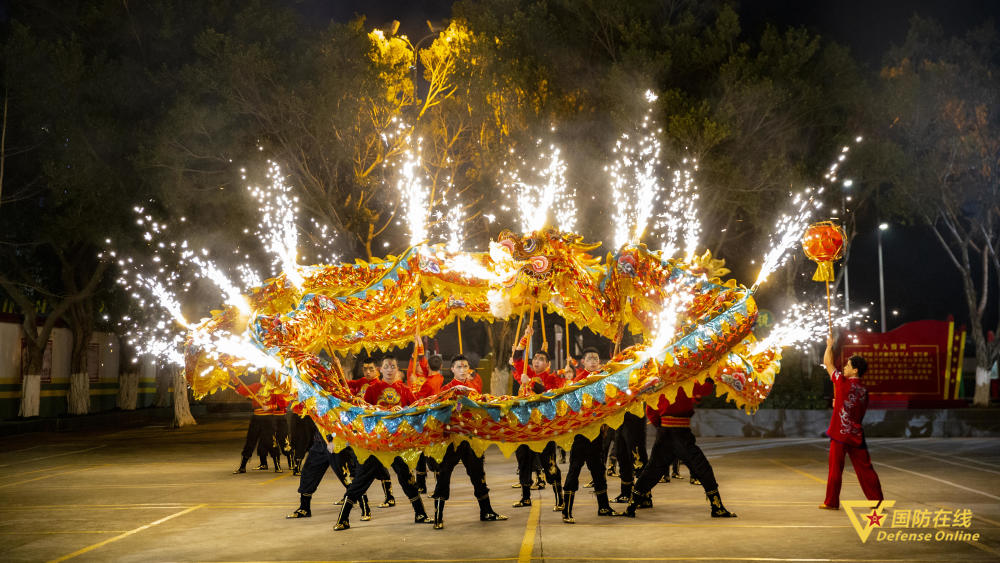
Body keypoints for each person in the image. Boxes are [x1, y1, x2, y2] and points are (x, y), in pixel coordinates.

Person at [334, 355, 430, 531]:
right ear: (382, 369)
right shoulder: (372, 389)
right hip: (376, 444)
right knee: (361, 480)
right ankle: (343, 518)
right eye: (387, 366)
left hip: (396, 444)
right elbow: (365, 412)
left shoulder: (405, 390)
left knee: (407, 478)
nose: (390, 369)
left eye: (393, 366)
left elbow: (416, 409)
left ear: (397, 369)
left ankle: (420, 514)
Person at [623, 379, 736, 518]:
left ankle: (631, 507)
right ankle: (717, 507)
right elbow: (705, 389)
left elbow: (651, 410)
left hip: (664, 433)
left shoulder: (658, 382)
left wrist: (661, 425)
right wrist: (709, 377)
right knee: (702, 467)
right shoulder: (685, 379)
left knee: (652, 471)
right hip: (681, 434)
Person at [428, 354, 508, 529]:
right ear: (452, 369)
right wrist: (457, 405)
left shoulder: (473, 388)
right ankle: (438, 516)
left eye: (465, 367)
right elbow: (442, 414)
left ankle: (486, 511)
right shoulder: (446, 389)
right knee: (444, 476)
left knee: (478, 475)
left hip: (471, 440)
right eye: (459, 367)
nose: (463, 370)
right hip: (452, 440)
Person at [819, 335, 884, 510]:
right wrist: (838, 402)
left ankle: (832, 501)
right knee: (865, 468)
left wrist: (829, 346)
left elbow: (827, 363)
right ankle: (876, 501)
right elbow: (855, 408)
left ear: (855, 370)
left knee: (835, 469)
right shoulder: (863, 390)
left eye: (848, 365)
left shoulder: (842, 383)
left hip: (840, 434)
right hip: (856, 434)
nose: (845, 367)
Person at [560, 346, 619, 522]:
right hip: (581, 434)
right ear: (583, 362)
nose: (593, 361)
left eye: (596, 358)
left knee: (598, 470)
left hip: (597, 433)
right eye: (590, 358)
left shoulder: (603, 378)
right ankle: (567, 511)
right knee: (574, 469)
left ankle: (604, 507)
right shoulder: (579, 381)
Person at [510, 327, 564, 512]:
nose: (537, 362)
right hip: (524, 428)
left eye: (541, 359)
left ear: (548, 363)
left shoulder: (552, 378)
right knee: (523, 463)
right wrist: (525, 337)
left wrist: (531, 383)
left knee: (549, 464)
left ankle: (560, 499)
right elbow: (517, 358)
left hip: (543, 430)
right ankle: (525, 498)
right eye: (535, 359)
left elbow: (550, 395)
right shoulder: (526, 373)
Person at [286, 428, 372, 522]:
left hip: (338, 441)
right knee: (308, 473)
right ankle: (304, 508)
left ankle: (365, 508)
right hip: (320, 441)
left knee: (347, 477)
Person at [408, 337, 445, 493]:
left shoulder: (428, 382)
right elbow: (424, 364)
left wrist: (415, 383)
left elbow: (417, 399)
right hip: (430, 420)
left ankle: (436, 486)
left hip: (425, 420)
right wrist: (420, 347)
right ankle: (422, 485)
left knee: (427, 456)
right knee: (422, 455)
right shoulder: (438, 378)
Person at [232, 379, 287, 474]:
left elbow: (282, 404)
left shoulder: (275, 389)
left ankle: (277, 466)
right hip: (256, 418)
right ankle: (242, 467)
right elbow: (242, 389)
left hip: (269, 419)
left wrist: (270, 407)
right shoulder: (256, 386)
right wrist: (233, 377)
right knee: (250, 441)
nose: (265, 377)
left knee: (271, 441)